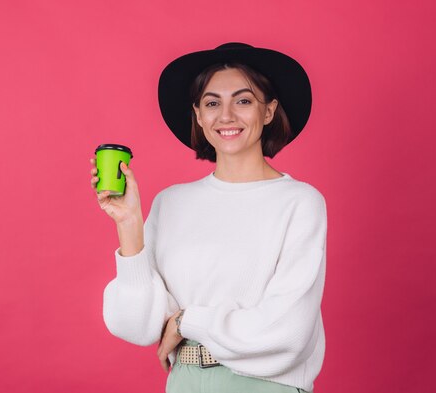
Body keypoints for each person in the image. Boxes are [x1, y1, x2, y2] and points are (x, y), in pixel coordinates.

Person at [89, 42, 327, 393]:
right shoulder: (171, 203)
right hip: (184, 381)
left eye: (243, 101)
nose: (226, 116)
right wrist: (129, 225)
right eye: (212, 103)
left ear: (269, 111)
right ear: (199, 115)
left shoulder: (299, 202)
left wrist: (187, 320)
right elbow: (137, 326)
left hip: (264, 386)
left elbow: (287, 332)